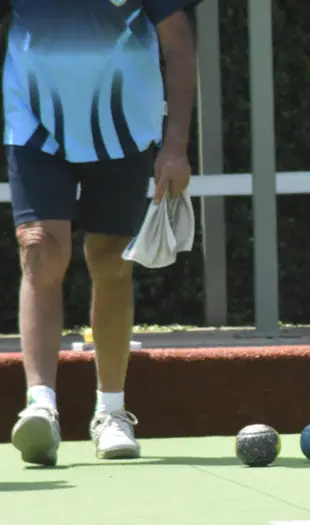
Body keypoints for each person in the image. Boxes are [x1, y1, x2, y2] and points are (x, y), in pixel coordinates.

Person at [5, 0, 198, 466]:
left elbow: (178, 42)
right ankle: (41, 405)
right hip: (33, 126)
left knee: (111, 260)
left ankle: (111, 412)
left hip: (127, 127)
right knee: (39, 250)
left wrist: (175, 146)